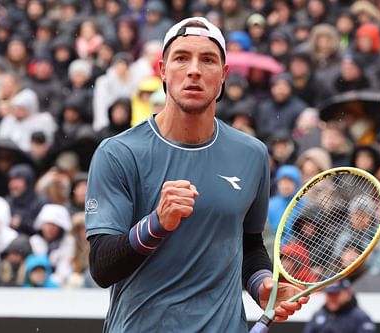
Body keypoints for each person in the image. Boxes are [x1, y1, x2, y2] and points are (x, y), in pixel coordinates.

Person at [85, 17, 308, 332]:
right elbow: (102, 267)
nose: (194, 70)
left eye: (208, 60)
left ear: (223, 75)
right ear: (162, 70)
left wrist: (262, 285)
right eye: (181, 58)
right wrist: (156, 225)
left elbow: (249, 244)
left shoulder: (253, 154)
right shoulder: (118, 153)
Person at [303, 279, 376, 333]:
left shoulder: (360, 317)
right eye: (329, 294)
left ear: (348, 294)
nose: (332, 298)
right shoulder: (318, 314)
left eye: (336, 294)